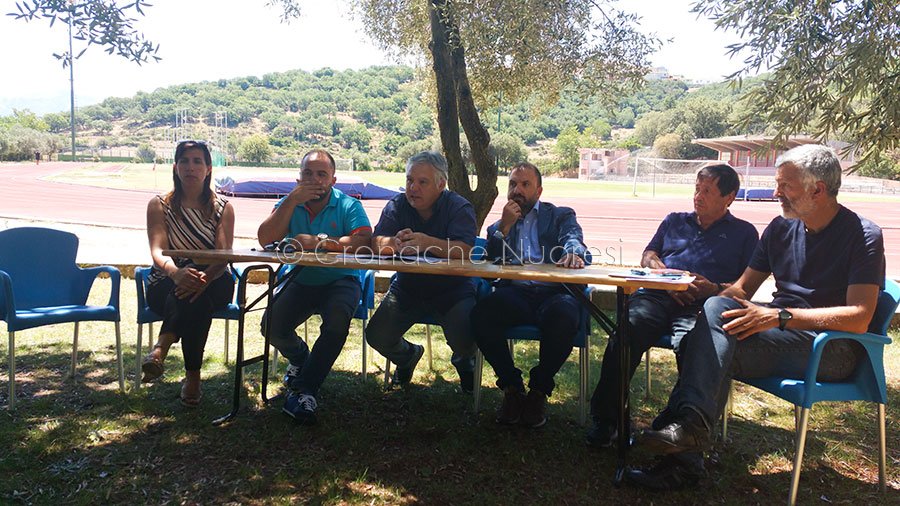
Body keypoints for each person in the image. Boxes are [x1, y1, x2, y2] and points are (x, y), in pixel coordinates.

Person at [626, 144, 885, 490]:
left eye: (785, 186)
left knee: (707, 348)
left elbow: (859, 317)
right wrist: (702, 296)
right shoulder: (780, 229)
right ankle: (687, 437)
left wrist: (778, 316)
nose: (776, 192)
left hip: (831, 347)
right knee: (706, 326)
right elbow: (741, 290)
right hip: (779, 333)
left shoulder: (863, 235)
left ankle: (682, 439)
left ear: (817, 190)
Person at [587, 164, 759, 447]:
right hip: (658, 296)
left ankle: (678, 426)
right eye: (696, 189)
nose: (697, 196)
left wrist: (713, 289)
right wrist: (657, 268)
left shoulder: (745, 233)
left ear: (729, 197)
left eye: (706, 191)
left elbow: (745, 286)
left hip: (701, 306)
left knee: (693, 345)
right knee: (626, 330)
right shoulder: (674, 220)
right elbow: (648, 254)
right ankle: (608, 420)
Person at [257, 149, 373, 425]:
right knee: (271, 327)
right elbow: (264, 238)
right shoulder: (289, 203)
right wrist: (290, 202)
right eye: (308, 173)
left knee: (336, 324)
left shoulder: (349, 206)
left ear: (333, 179)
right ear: (299, 178)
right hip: (301, 278)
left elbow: (364, 243)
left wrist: (319, 242)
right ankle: (300, 357)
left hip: (340, 281)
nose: (315, 179)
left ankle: (305, 390)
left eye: (322, 174)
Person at [471, 162, 590, 428]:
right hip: (518, 293)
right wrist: (504, 227)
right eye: (513, 184)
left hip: (554, 293)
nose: (517, 190)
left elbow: (573, 237)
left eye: (525, 185)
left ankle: (539, 390)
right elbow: (492, 260)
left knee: (564, 316)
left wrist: (573, 252)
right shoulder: (499, 225)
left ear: (539, 190)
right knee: (482, 313)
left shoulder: (558, 214)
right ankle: (512, 388)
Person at [365, 151, 478, 392]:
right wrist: (392, 243)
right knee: (376, 336)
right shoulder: (397, 205)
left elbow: (465, 250)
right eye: (409, 180)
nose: (413, 188)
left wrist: (428, 243)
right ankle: (408, 356)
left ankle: (465, 362)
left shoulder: (459, 207)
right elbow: (375, 242)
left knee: (467, 339)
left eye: (422, 182)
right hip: (407, 289)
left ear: (441, 184)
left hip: (453, 290)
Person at [143, 140, 236, 407]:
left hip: (215, 278)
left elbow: (223, 255)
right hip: (166, 279)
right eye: (184, 161)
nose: (190, 167)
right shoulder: (159, 205)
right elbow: (158, 251)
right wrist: (175, 273)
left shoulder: (223, 207)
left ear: (208, 168)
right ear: (175, 166)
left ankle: (161, 347)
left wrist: (205, 277)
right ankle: (193, 378)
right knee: (193, 299)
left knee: (195, 292)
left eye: (197, 161)